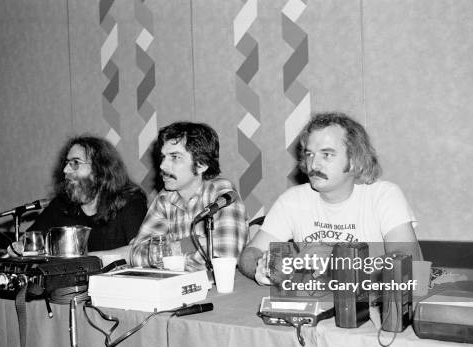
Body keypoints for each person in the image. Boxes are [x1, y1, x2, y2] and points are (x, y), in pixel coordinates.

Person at [239, 112, 422, 285]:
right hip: (314, 305)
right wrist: (260, 267)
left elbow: (409, 264)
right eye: (310, 154)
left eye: (327, 154)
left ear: (354, 160)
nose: (314, 164)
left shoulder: (384, 196)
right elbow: (249, 254)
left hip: (369, 308)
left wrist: (335, 262)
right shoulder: (292, 200)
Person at [126, 121, 248, 271]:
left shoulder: (221, 193)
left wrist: (165, 253)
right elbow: (136, 256)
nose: (163, 166)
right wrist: (185, 245)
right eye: (163, 157)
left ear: (201, 165)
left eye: (175, 157)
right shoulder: (164, 199)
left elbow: (224, 257)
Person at [27, 134, 147, 252]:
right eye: (67, 163)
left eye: (75, 163)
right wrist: (19, 247)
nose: (65, 170)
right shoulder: (61, 204)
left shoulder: (130, 201)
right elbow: (29, 240)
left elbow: (139, 252)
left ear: (99, 169)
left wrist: (88, 261)